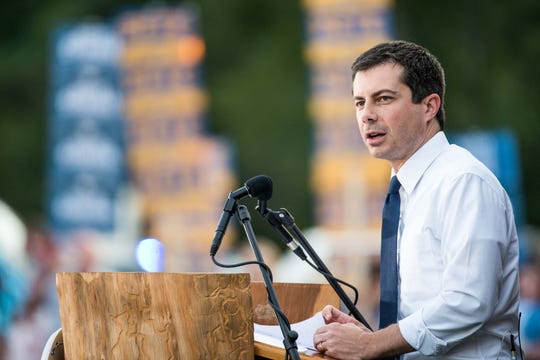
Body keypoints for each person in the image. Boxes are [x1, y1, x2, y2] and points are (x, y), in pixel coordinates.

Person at [313, 40, 520, 359]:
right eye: (359, 102)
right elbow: (422, 311)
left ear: (429, 106)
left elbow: (469, 301)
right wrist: (371, 337)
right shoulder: (405, 188)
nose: (367, 115)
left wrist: (372, 345)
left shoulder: (463, 181)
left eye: (383, 99)